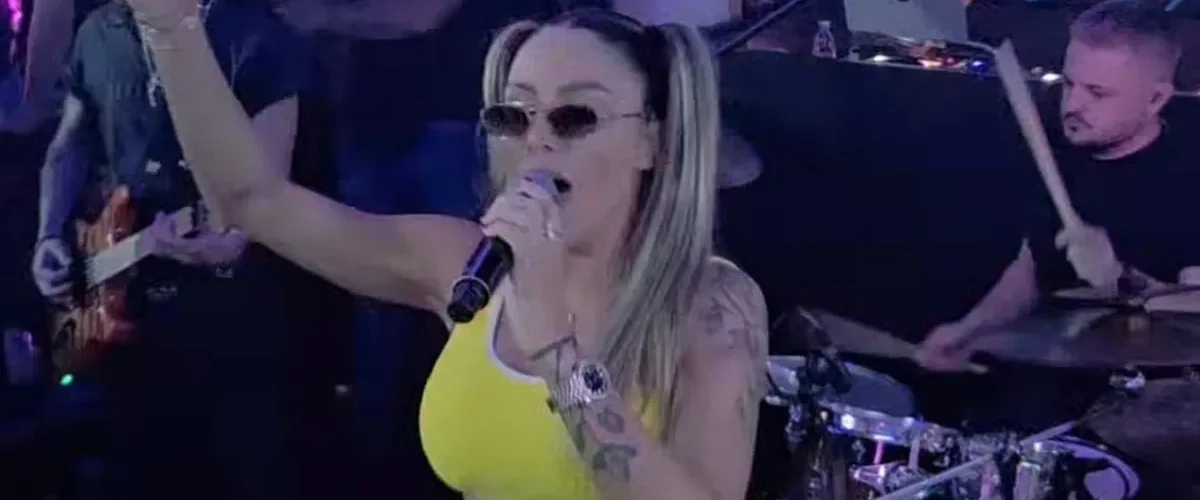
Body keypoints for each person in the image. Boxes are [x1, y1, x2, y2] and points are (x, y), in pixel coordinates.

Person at [128, 3, 767, 499]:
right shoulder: (461, 264)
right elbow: (253, 200)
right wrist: (170, 25)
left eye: (575, 117)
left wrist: (554, 345)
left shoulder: (710, 306)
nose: (537, 140)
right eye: (514, 117)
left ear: (652, 142)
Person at [28, 0, 304, 497]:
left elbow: (266, 191)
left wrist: (232, 241)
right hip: (130, 310)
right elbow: (70, 145)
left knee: (244, 470)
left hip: (230, 317)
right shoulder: (99, 30)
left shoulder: (254, 32)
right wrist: (49, 232)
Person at [915, 0, 1192, 372]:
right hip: (1060, 370)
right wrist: (969, 331)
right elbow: (1032, 266)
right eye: (1069, 84)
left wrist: (1120, 278)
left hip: (1150, 391)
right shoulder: (1061, 152)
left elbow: (1190, 312)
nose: (1073, 105)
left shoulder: (1187, 183)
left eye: (1097, 93)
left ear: (1155, 98)